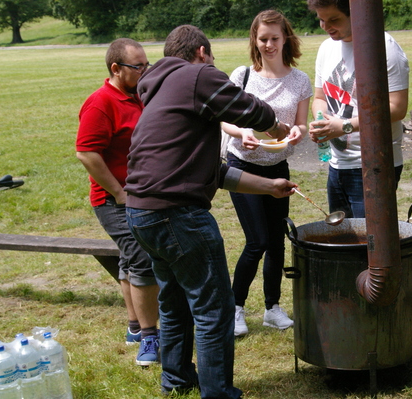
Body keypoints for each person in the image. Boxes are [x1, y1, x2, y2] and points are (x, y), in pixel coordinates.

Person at [124, 25, 295, 398]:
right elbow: (248, 108)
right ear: (202, 51)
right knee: (214, 309)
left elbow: (211, 172)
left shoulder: (161, 90)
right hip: (176, 214)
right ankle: (218, 394)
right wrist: (277, 125)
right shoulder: (196, 74)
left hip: (141, 212)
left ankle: (177, 379)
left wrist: (269, 186)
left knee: (173, 301)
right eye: (211, 56)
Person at [221, 10, 312, 337]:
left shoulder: (300, 80)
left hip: (278, 165)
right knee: (257, 241)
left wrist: (299, 132)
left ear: (286, 37)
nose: (269, 45)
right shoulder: (243, 75)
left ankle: (272, 308)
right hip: (242, 167)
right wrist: (240, 132)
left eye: (275, 38)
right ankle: (235, 308)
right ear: (254, 40)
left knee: (276, 242)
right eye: (263, 39)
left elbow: (301, 122)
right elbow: (222, 118)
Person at [75, 38, 160, 366]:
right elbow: (86, 153)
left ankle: (134, 326)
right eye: (138, 66)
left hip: (140, 194)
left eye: (146, 63)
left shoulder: (139, 94)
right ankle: (151, 338)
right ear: (115, 69)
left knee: (129, 259)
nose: (145, 70)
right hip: (112, 200)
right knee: (142, 257)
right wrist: (118, 193)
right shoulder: (100, 103)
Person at [306, 0, 409, 219]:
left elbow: (397, 108)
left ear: (357, 14)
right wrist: (321, 121)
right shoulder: (326, 47)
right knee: (344, 240)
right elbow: (319, 98)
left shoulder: (383, 46)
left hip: (374, 164)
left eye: (334, 19)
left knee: (372, 245)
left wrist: (343, 126)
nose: (326, 26)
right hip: (337, 164)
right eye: (321, 19)